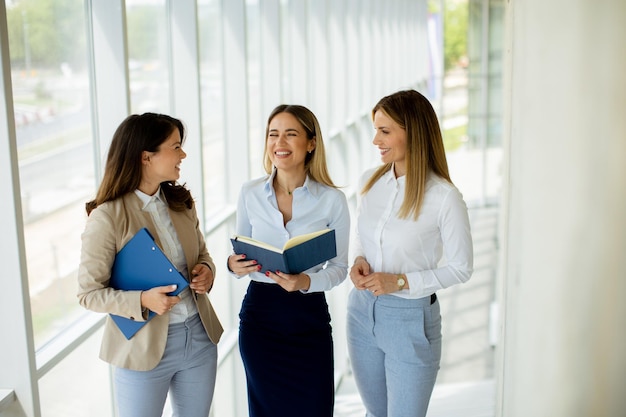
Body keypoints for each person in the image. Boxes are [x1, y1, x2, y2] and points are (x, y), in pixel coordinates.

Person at [77, 113, 223, 417]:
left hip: (198, 337)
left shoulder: (181, 202)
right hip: (142, 348)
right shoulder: (108, 217)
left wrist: (206, 272)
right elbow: (88, 293)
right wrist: (143, 300)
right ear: (146, 156)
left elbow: (203, 254)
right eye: (175, 146)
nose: (183, 154)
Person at [346, 90, 473, 417]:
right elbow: (361, 233)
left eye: (385, 131)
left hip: (410, 320)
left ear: (413, 132)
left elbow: (461, 268)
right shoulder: (369, 182)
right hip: (361, 313)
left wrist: (400, 281)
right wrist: (358, 260)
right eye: (376, 130)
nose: (376, 140)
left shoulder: (445, 198)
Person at [227, 104, 350, 417]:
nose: (279, 142)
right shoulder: (249, 192)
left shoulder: (331, 200)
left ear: (310, 143)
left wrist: (305, 281)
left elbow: (339, 270)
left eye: (290, 134)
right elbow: (240, 249)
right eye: (273, 134)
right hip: (260, 320)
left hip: (307, 319)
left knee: (316, 408)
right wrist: (233, 265)